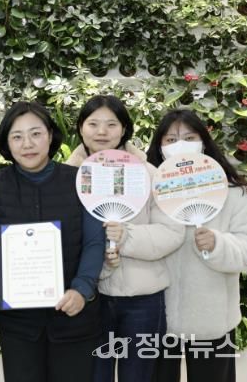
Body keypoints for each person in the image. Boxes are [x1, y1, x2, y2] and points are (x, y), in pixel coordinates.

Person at [0, 101, 105, 382]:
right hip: (18, 325)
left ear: (50, 135)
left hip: (74, 316)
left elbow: (94, 241)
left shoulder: (80, 181)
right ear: (7, 143)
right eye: (17, 136)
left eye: (36, 133)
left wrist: (81, 290)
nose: (27, 144)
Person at [65, 95, 185, 382]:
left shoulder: (150, 174)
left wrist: (126, 237)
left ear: (124, 129)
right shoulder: (66, 178)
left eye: (111, 124)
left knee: (139, 376)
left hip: (142, 299)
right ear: (81, 128)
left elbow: (173, 231)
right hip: (89, 299)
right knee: (94, 375)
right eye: (93, 123)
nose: (101, 131)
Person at [146, 109, 247, 382]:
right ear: (159, 146)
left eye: (189, 138)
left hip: (213, 318)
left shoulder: (232, 191)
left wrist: (219, 245)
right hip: (157, 316)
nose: (180, 145)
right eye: (171, 139)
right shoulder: (147, 190)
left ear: (203, 142)